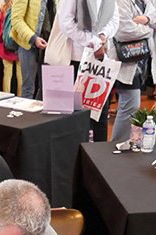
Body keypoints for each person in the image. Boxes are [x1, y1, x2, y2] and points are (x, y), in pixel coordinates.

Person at [107, 0, 156, 144]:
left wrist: (148, 19)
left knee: (130, 106)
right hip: (123, 61)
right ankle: (116, 145)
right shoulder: (119, 2)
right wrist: (152, 28)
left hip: (143, 60)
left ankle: (120, 144)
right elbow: (124, 31)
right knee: (130, 104)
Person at [59, 0, 121, 141]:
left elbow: (114, 18)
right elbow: (66, 23)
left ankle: (99, 158)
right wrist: (93, 42)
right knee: (77, 115)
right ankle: (76, 157)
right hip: (77, 59)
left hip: (100, 59)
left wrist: (103, 36)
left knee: (101, 113)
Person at [11, 0, 50, 99]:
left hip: (49, 44)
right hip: (28, 43)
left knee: (47, 88)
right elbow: (16, 19)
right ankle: (25, 113)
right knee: (28, 88)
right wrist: (33, 38)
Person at [0, 0, 23, 95]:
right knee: (20, 75)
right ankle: (21, 97)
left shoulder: (2, 12)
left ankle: (6, 96)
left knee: (7, 74)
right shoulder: (20, 10)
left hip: (5, 48)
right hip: (19, 47)